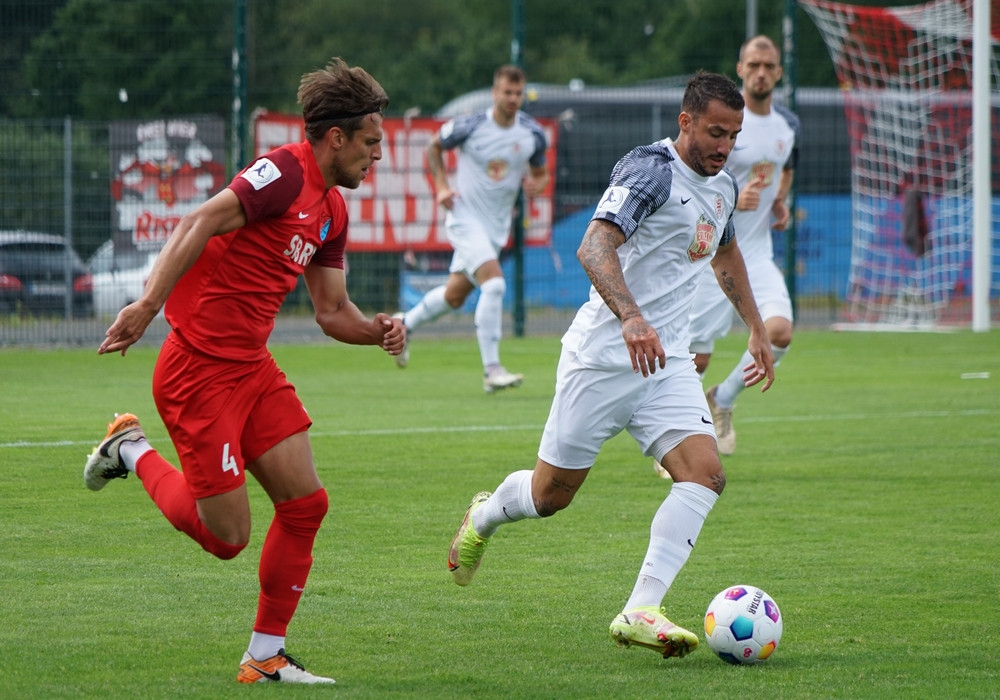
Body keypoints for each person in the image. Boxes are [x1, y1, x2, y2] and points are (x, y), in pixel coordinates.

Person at [83, 58, 403, 685]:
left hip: (251, 368)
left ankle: (265, 656)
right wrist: (147, 305)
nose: (378, 157)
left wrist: (377, 331)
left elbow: (332, 311)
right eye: (371, 143)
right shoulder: (283, 172)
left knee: (306, 504)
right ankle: (131, 450)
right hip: (196, 372)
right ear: (335, 137)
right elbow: (199, 220)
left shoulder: (332, 210)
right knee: (226, 536)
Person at [446, 72, 775, 660]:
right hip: (602, 357)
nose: (724, 146)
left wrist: (753, 326)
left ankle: (641, 608)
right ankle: (484, 516)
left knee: (705, 474)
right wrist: (629, 316)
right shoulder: (649, 171)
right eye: (715, 133)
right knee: (550, 498)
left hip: (667, 362)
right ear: (686, 123)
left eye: (734, 135)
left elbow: (726, 251)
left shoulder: (722, 186)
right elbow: (594, 246)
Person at [395, 64, 550, 393]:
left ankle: (404, 324)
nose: (512, 98)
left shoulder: (532, 134)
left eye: (518, 93)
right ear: (494, 93)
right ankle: (492, 370)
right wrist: (440, 187)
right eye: (506, 92)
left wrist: (537, 183)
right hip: (464, 218)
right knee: (494, 285)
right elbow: (433, 147)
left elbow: (541, 172)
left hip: (495, 228)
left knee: (454, 296)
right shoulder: (470, 125)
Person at [684, 35, 799, 457]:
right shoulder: (726, 122)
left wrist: (779, 200)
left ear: (779, 72)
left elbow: (785, 168)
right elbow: (698, 176)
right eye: (754, 65)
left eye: (769, 66)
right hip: (715, 255)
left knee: (780, 332)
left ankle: (724, 399)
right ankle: (674, 441)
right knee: (694, 361)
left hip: (758, 253)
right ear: (740, 68)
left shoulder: (788, 127)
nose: (761, 72)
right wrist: (735, 197)